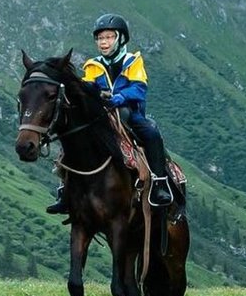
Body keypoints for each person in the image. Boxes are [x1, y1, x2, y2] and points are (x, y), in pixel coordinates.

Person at [48, 13, 173, 213]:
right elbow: (88, 87)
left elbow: (139, 89)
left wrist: (118, 98)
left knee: (151, 133)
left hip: (129, 112)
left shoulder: (133, 61)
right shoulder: (93, 65)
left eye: (108, 37)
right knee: (74, 136)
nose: (103, 42)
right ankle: (65, 188)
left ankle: (159, 182)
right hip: (101, 114)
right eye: (100, 38)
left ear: (120, 38)